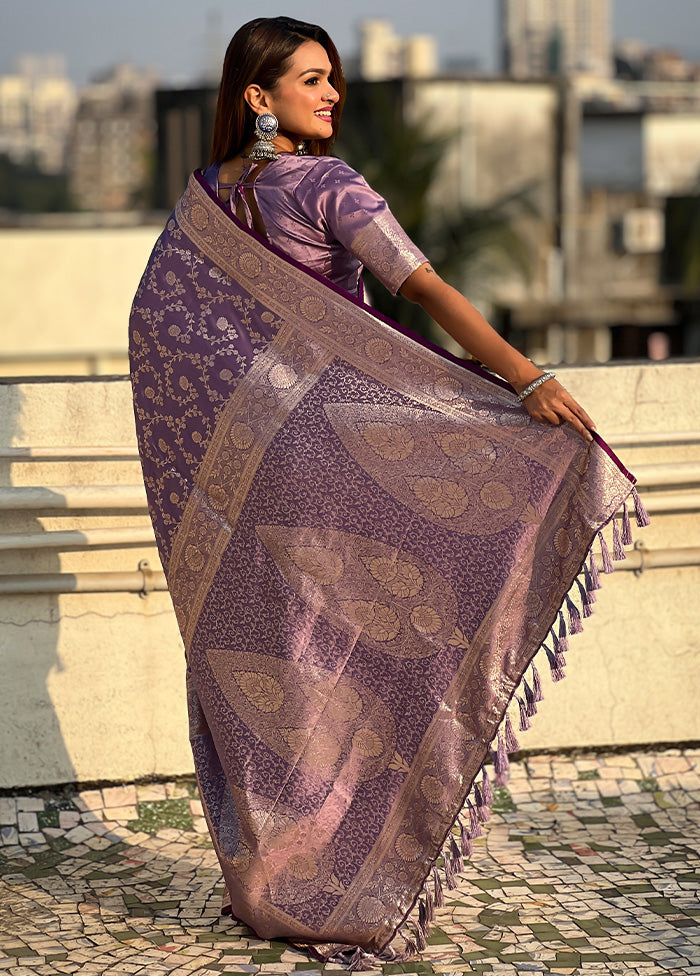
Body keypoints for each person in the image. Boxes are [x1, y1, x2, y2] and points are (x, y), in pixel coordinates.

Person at [129, 16, 643, 965]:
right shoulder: (327, 184)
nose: (332, 96)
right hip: (331, 464)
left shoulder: (203, 200)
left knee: (281, 660)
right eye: (313, 79)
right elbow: (424, 287)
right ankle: (353, 876)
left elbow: (157, 334)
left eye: (336, 80)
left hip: (251, 483)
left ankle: (271, 880)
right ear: (258, 96)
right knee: (357, 657)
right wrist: (524, 378)